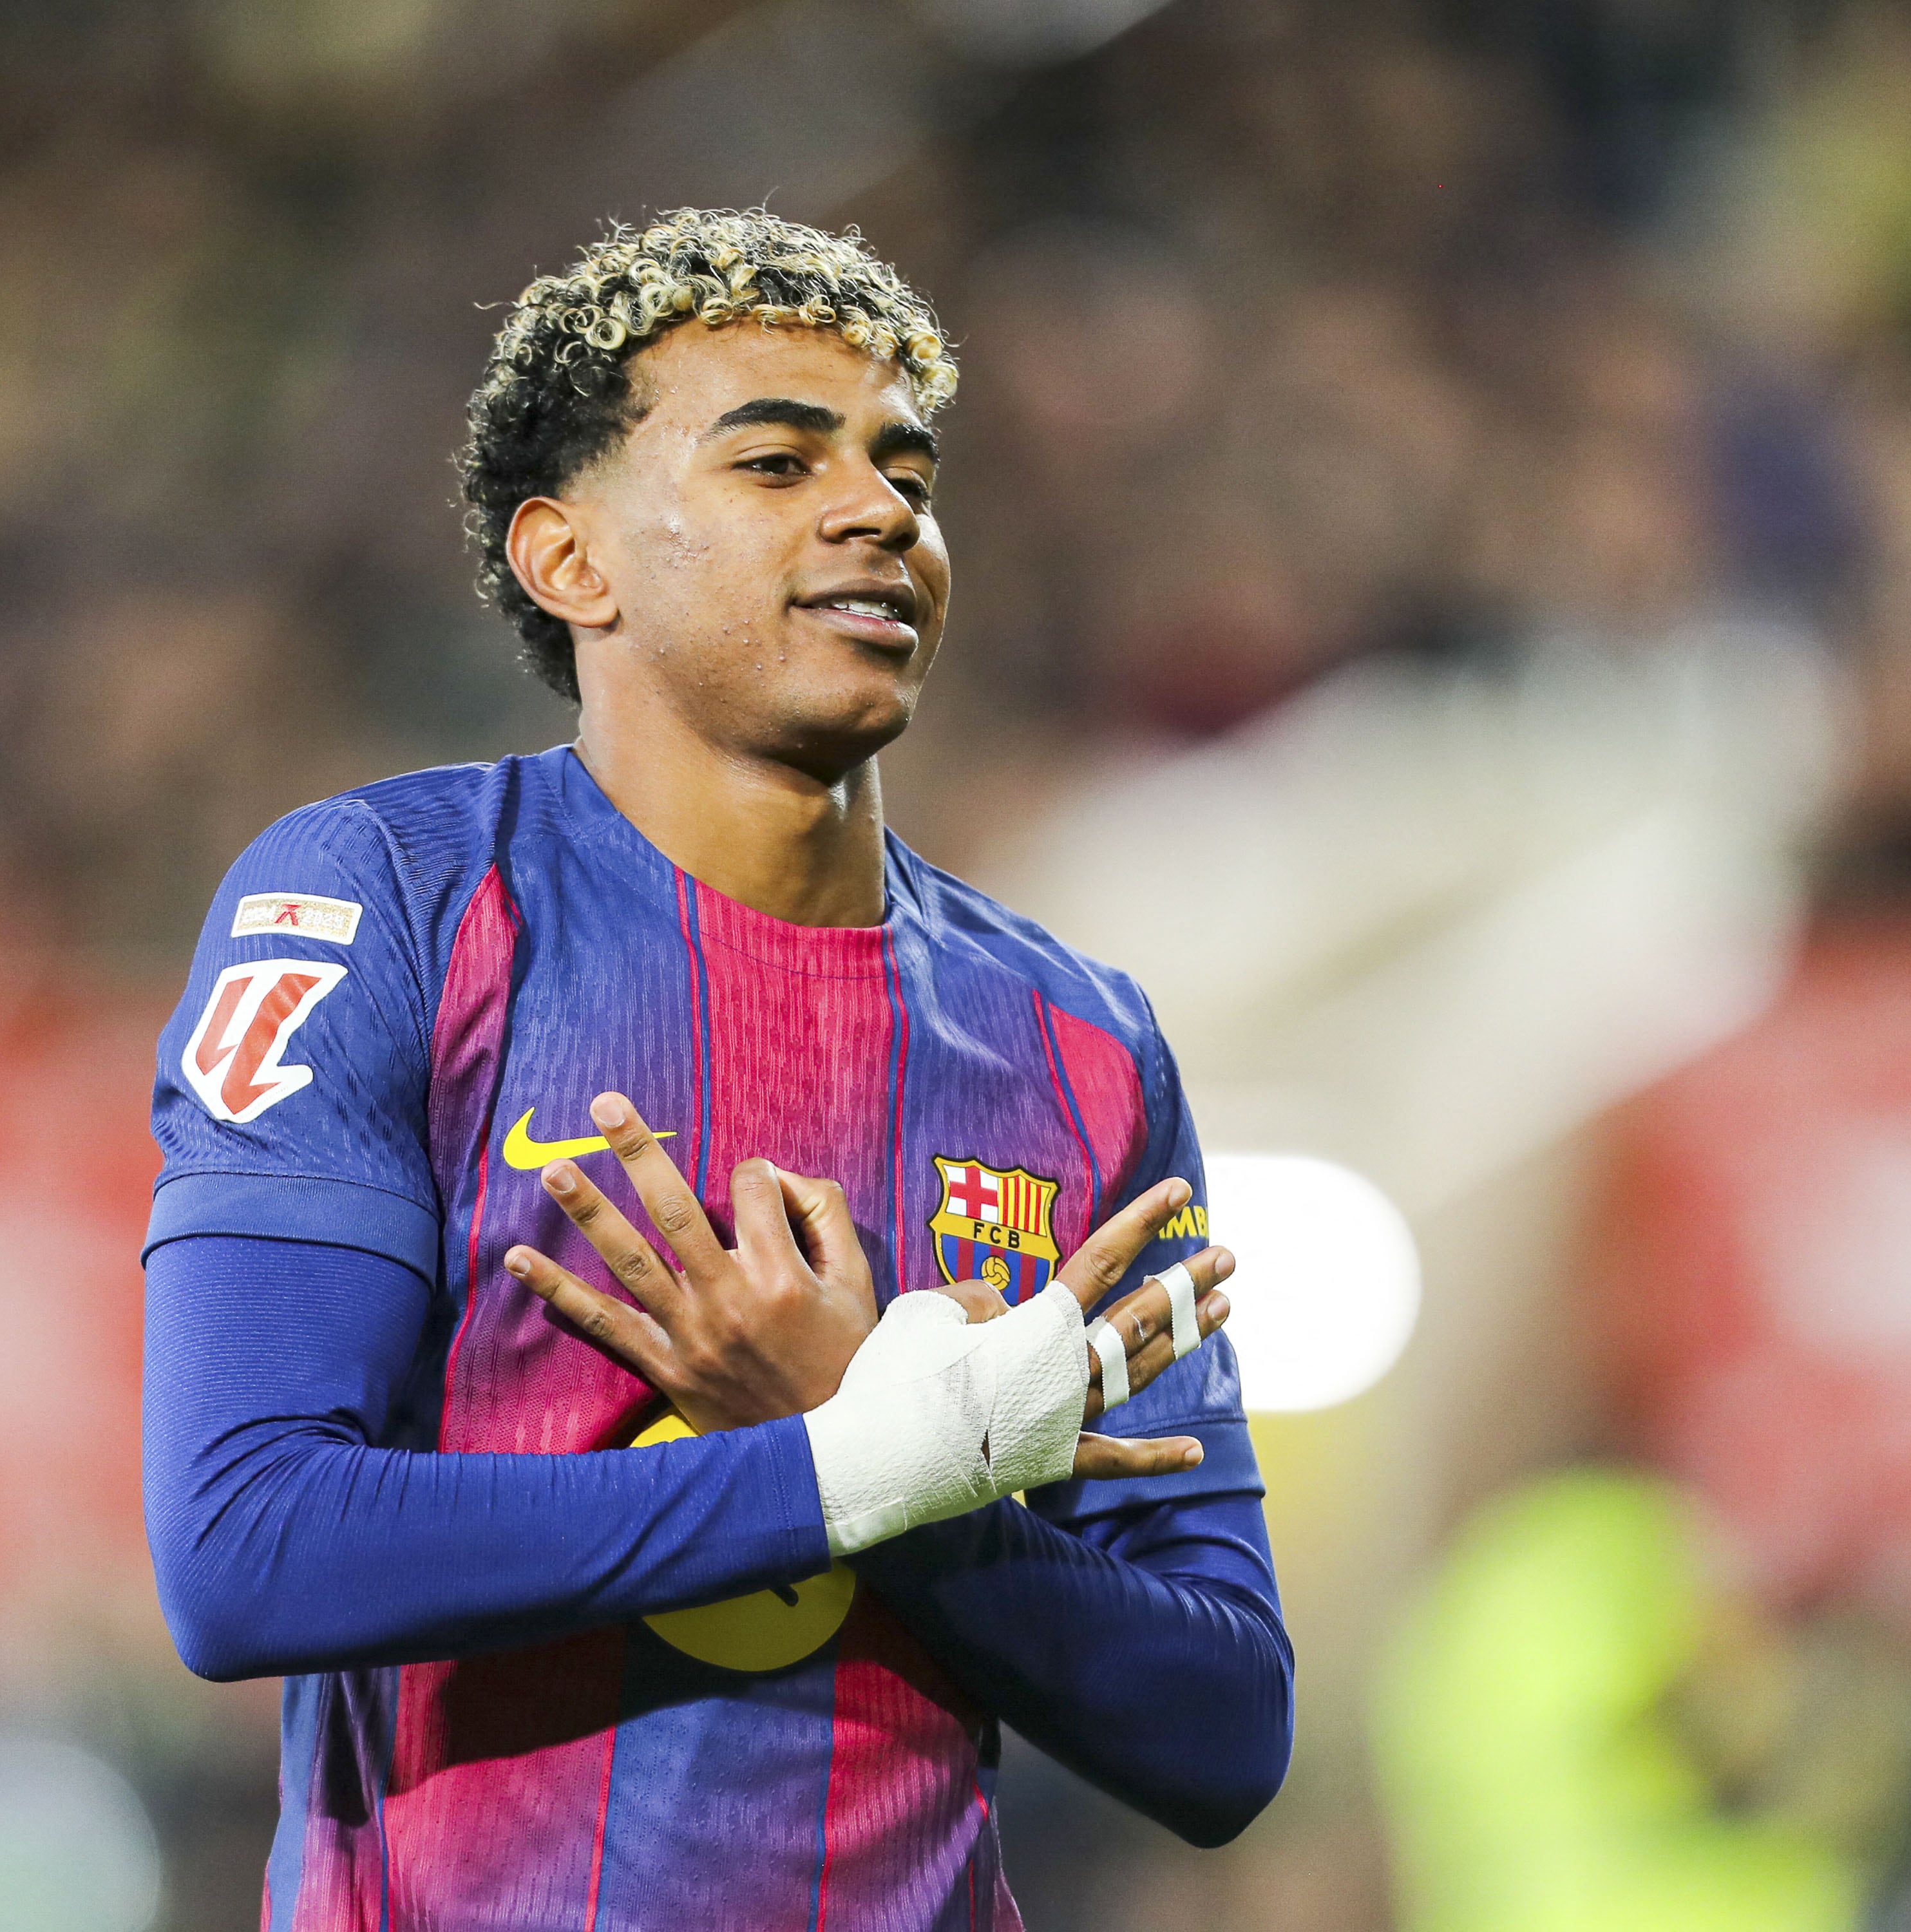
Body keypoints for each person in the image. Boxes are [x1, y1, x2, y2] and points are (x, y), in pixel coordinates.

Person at [142, 209, 1292, 1931]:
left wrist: (917, 1489)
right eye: (776, 461)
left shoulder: (1081, 1040)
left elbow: (1222, 1729)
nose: (878, 509)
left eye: (908, 469)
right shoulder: (384, 902)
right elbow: (245, 1546)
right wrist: (847, 1470)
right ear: (569, 562)